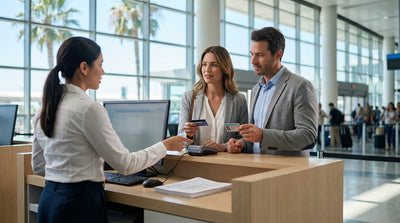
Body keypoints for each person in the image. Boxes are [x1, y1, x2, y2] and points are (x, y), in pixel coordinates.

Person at [32, 37, 191, 223]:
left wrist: (83, 175)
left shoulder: (44, 108)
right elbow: (126, 165)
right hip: (78, 204)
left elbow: (38, 166)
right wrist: (164, 145)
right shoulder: (89, 109)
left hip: (50, 200)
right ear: (84, 68)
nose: (103, 71)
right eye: (100, 64)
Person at [226, 27, 318, 157]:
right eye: (252, 54)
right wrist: (242, 144)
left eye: (260, 55)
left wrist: (263, 135)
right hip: (257, 169)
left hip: (288, 172)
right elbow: (257, 139)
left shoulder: (300, 86)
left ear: (277, 55)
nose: (253, 61)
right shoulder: (256, 89)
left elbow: (308, 136)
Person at [178, 46, 248, 152]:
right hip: (195, 163)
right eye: (204, 64)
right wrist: (188, 135)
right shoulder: (189, 98)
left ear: (224, 68)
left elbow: (244, 138)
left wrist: (223, 147)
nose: (207, 69)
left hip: (226, 163)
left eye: (214, 65)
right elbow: (180, 140)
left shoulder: (239, 100)